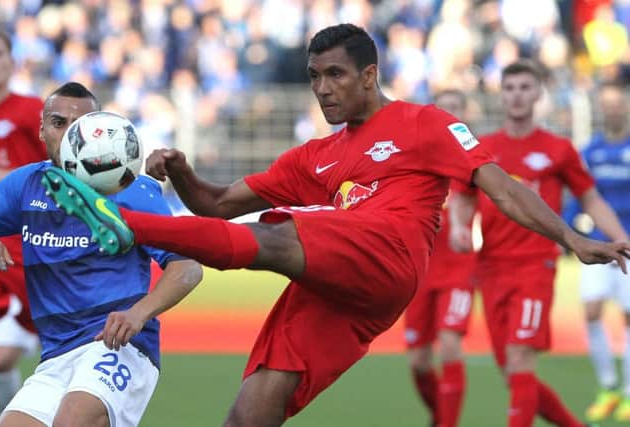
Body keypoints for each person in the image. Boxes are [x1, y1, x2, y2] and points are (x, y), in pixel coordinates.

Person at [41, 25, 629, 427]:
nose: (322, 88)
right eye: (315, 75)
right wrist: (185, 173)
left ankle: (123, 223)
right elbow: (218, 206)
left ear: (370, 75)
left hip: (389, 253)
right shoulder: (315, 156)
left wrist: (572, 238)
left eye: (336, 75)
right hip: (343, 288)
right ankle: (129, 224)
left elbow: (501, 186)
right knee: (251, 410)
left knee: (276, 235)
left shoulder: (424, 123)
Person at [0, 81, 203, 427]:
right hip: (56, 354)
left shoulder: (129, 190)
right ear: (41, 130)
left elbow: (188, 267)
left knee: (74, 420)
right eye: (59, 124)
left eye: (82, 127)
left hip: (119, 345)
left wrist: (138, 314)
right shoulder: (26, 185)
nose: (72, 136)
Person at [448, 60, 628, 427]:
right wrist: (459, 225)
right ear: (502, 95)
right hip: (492, 267)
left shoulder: (558, 149)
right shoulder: (484, 148)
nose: (517, 95)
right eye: (510, 88)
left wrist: (618, 237)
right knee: (512, 371)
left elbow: (590, 198)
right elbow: (463, 195)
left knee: (519, 360)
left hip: (536, 266)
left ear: (538, 93)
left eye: (525, 87)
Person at [403, 89, 477, 427]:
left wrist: (464, 227)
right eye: (444, 109)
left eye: (456, 109)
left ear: (464, 116)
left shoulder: (473, 162)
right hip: (420, 274)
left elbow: (484, 201)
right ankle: (439, 415)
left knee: (449, 347)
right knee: (418, 362)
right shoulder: (416, 160)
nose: (450, 116)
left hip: (459, 271)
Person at [563, 82, 630, 422]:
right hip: (599, 244)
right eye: (608, 104)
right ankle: (608, 387)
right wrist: (566, 230)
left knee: (629, 318)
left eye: (619, 103)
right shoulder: (591, 151)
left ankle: (629, 393)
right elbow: (580, 194)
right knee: (591, 312)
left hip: (629, 247)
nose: (614, 109)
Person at [0, 27, 45, 419]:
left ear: (11, 61)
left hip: (20, 251)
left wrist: (4, 177)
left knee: (1, 357)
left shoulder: (31, 111)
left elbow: (58, 170)